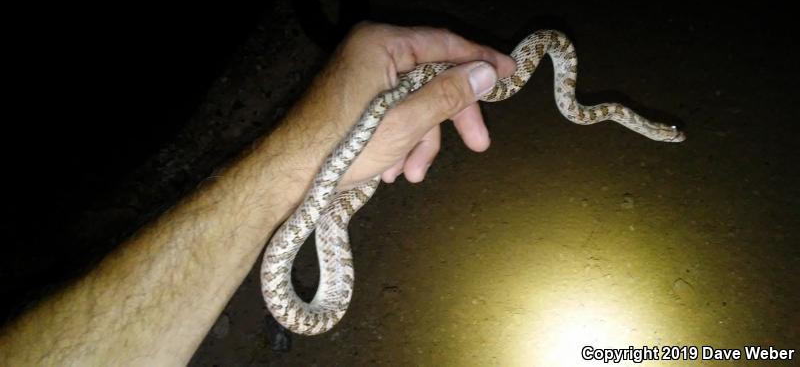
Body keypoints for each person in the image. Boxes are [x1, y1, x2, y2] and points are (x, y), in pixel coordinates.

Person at [0, 22, 516, 365]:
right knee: (341, 200)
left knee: (340, 203)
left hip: (330, 199)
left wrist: (312, 167)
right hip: (339, 174)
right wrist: (321, 159)